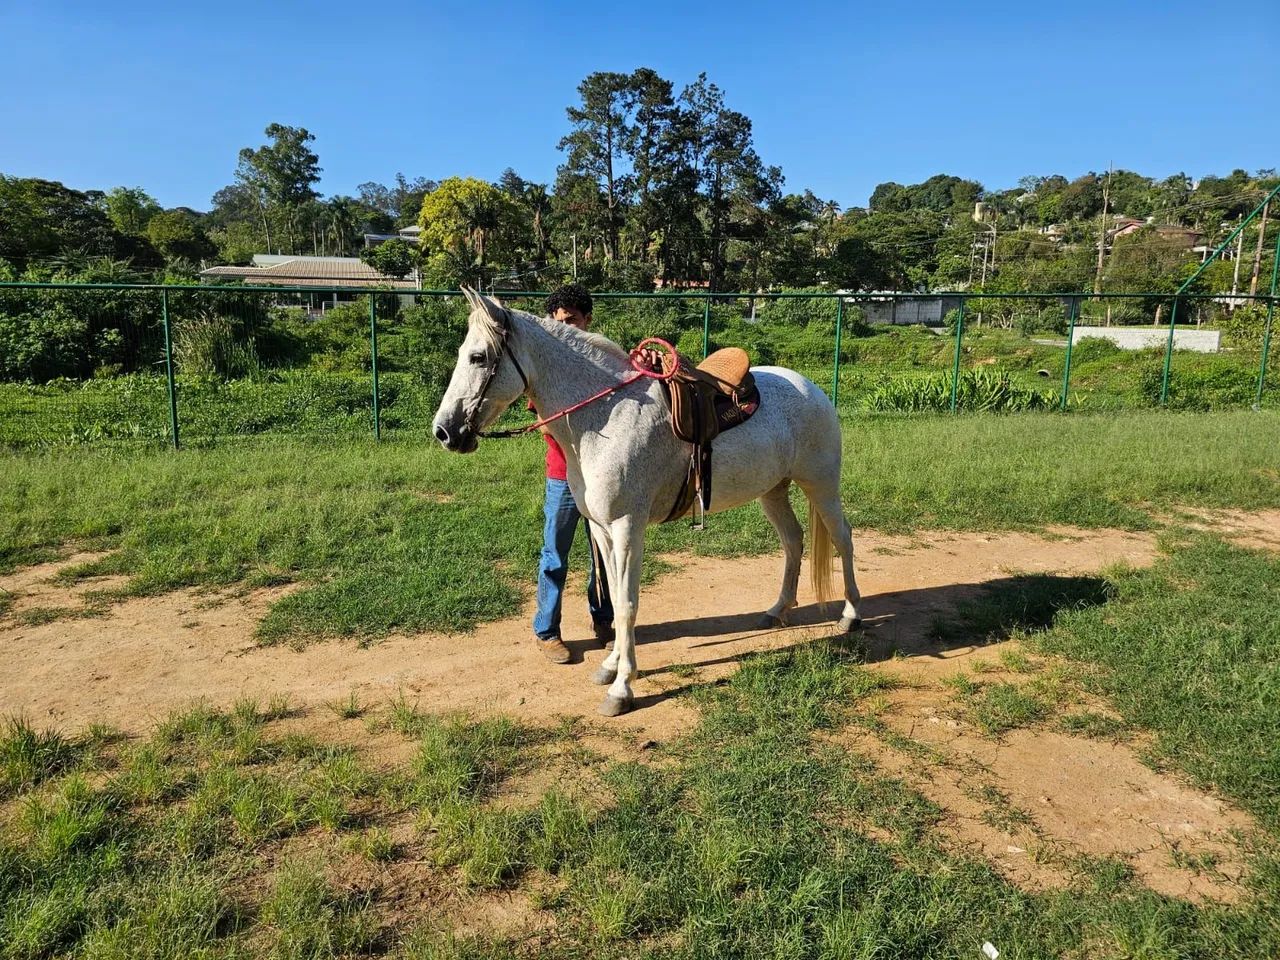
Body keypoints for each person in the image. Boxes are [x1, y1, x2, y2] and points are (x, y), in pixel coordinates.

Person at [531, 284, 614, 663]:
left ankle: (605, 622)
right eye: (560, 321)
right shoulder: (547, 370)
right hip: (563, 475)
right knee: (555, 553)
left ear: (588, 320)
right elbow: (546, 424)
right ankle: (547, 631)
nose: (566, 327)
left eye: (573, 320)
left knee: (603, 552)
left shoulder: (602, 364)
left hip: (601, 475)